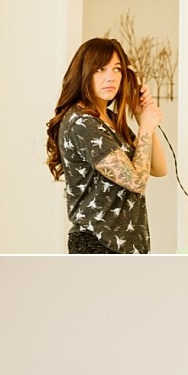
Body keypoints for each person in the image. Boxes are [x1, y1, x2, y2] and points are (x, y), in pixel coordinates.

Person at [46, 38, 167, 254]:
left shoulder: (108, 119)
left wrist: (141, 116)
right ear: (84, 74)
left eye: (117, 69)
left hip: (127, 246)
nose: (111, 77)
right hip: (99, 245)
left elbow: (159, 168)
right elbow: (137, 182)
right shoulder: (83, 123)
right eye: (100, 69)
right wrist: (146, 127)